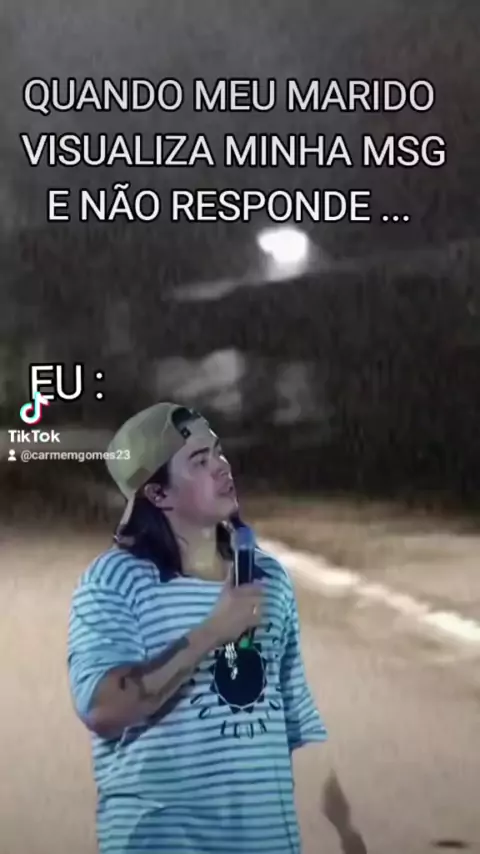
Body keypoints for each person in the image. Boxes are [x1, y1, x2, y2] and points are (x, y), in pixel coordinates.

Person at [68, 402, 327, 853]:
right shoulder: (115, 581)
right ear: (158, 494)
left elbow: (288, 726)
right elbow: (103, 708)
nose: (222, 467)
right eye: (199, 460)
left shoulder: (268, 577)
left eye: (218, 451)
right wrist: (210, 633)